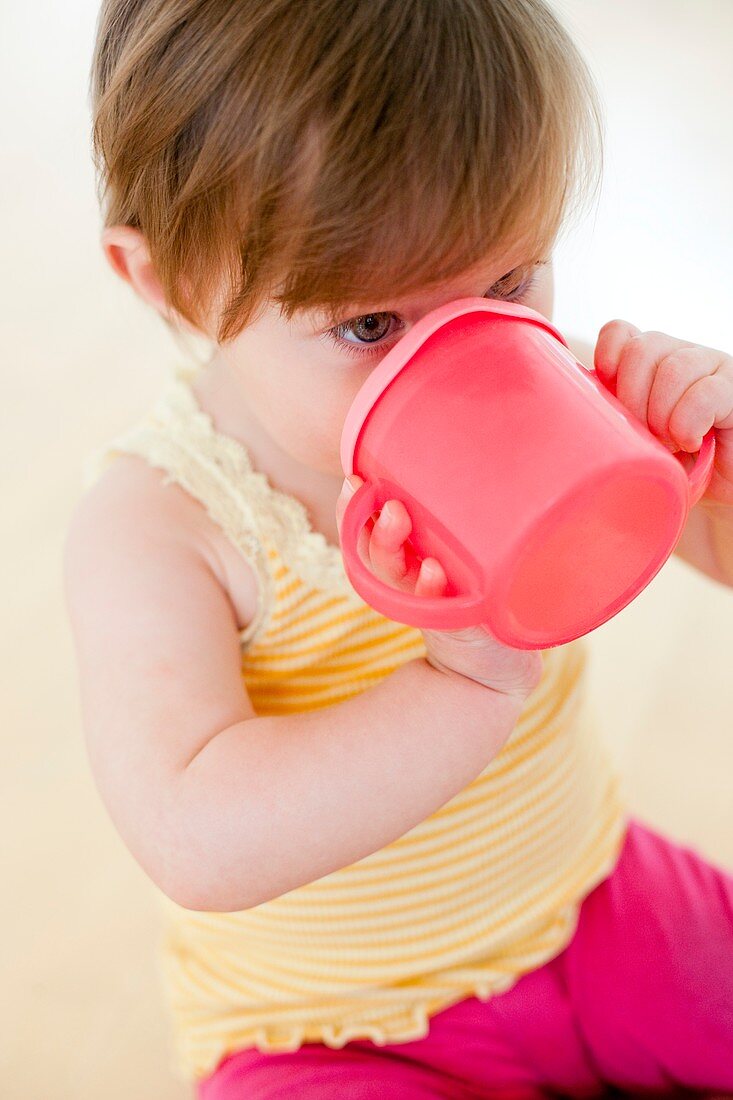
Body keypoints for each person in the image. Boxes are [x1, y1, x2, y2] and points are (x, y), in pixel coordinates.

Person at [64, 1, 733, 1095]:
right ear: (169, 283)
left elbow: (691, 543)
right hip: (334, 1028)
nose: (461, 351)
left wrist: (714, 482)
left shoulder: (542, 379)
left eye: (507, 282)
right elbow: (194, 832)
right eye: (369, 327)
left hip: (591, 895)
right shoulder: (160, 522)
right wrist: (461, 685)